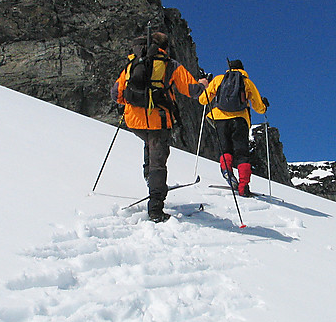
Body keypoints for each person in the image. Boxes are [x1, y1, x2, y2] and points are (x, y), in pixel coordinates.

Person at [111, 31, 208, 222]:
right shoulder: (170, 65)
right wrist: (204, 83)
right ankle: (155, 207)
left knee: (149, 144)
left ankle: (150, 178)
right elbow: (192, 90)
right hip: (159, 121)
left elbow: (116, 94)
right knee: (158, 159)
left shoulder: (132, 63)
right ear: (165, 47)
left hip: (134, 121)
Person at [199, 59, 268, 197]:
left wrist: (207, 86)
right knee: (242, 153)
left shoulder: (219, 79)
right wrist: (264, 105)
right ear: (242, 68)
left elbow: (203, 100)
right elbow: (259, 107)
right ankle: (243, 186)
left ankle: (226, 171)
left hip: (220, 120)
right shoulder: (246, 82)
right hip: (240, 121)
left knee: (225, 149)